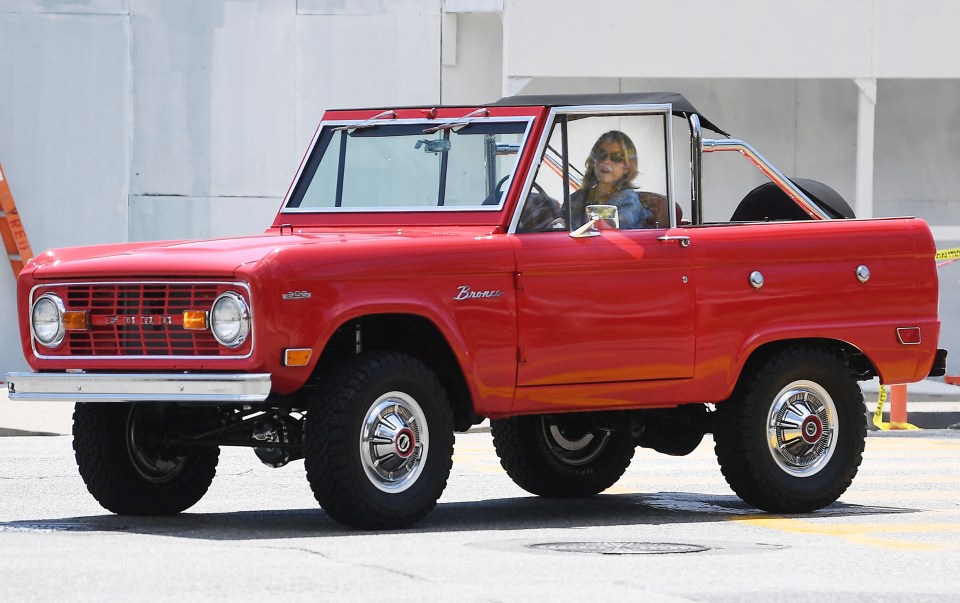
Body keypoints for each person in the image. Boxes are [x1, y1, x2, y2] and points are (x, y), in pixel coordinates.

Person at [560, 130, 651, 230]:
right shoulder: (577, 197)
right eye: (601, 154)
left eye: (616, 157)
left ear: (627, 167)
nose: (606, 161)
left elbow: (615, 239)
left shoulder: (629, 201)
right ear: (593, 161)